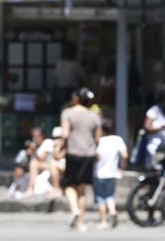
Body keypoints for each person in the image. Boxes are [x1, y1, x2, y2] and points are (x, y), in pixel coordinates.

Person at [60, 88, 101, 231]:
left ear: (77, 98)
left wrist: (60, 148)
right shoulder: (94, 116)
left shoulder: (67, 113)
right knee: (83, 189)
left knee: (70, 185)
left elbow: (65, 134)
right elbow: (97, 139)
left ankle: (75, 210)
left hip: (73, 152)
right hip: (88, 154)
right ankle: (81, 223)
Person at [93, 119, 127, 230]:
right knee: (110, 195)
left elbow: (96, 157)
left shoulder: (98, 141)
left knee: (101, 198)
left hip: (98, 173)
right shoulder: (117, 139)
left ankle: (103, 221)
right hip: (112, 173)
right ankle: (112, 211)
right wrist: (122, 167)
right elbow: (125, 155)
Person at [23, 127, 54, 197]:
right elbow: (29, 159)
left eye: (36, 136)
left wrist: (34, 150)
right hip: (38, 167)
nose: (34, 138)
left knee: (34, 163)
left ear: (42, 136)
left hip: (49, 166)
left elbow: (42, 159)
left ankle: (30, 189)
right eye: (33, 136)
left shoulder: (48, 142)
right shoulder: (35, 144)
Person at [49, 126, 66, 197]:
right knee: (53, 167)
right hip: (58, 166)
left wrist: (58, 146)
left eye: (59, 137)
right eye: (55, 138)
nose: (57, 139)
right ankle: (56, 189)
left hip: (68, 167)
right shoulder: (52, 144)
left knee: (54, 166)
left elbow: (58, 156)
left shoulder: (67, 145)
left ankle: (57, 189)